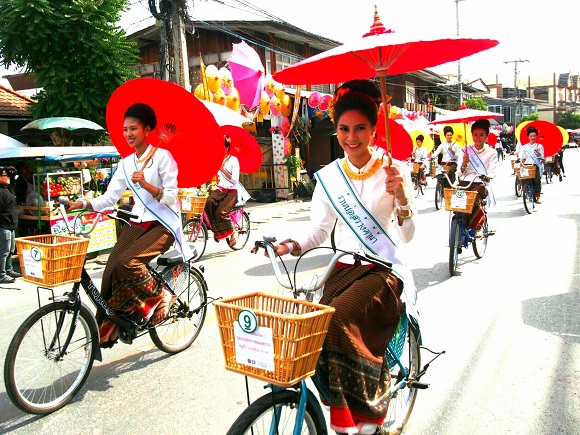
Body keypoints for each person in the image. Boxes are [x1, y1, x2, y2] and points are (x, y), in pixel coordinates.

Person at [253, 80, 417, 435]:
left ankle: (368, 415)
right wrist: (286, 245)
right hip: (340, 268)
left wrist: (402, 198)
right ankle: (342, 409)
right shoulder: (328, 177)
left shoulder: (394, 171)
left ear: (374, 130)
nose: (351, 136)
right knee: (312, 328)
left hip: (382, 270)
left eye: (360, 128)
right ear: (336, 130)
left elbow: (407, 235)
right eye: (344, 128)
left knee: (339, 321)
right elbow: (317, 231)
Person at [67, 103, 192, 347]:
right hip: (138, 222)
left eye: (133, 128)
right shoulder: (125, 164)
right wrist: (82, 203)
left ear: (147, 130)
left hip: (164, 224)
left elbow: (171, 197)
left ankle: (161, 294)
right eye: (125, 129)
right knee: (111, 268)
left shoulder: (163, 157)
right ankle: (113, 322)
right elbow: (108, 199)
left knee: (128, 264)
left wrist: (147, 186)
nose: (128, 134)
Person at [458, 119, 498, 238]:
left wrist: (488, 176)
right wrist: (464, 164)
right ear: (472, 135)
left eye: (481, 135)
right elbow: (459, 173)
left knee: (474, 196)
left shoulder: (492, 152)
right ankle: (457, 227)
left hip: (480, 182)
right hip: (465, 181)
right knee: (456, 200)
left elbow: (492, 171)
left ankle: (477, 226)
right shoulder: (465, 150)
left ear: (486, 136)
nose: (478, 138)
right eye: (475, 134)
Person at [204, 134, 241, 247]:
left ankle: (233, 232)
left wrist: (223, 170)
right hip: (221, 190)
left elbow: (235, 180)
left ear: (227, 148)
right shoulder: (218, 160)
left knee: (221, 212)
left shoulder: (234, 160)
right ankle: (217, 229)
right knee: (209, 202)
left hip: (232, 191)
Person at [0, 166, 22, 283]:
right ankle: (1, 275)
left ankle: (9, 270)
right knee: (4, 252)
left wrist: (11, 171)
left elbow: (13, 179)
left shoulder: (8, 188)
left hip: (11, 226)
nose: (8, 177)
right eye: (5, 175)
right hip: (4, 226)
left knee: (11, 250)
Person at [517, 126, 544, 203]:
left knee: (537, 181)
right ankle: (524, 189)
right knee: (523, 178)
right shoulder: (524, 147)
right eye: (531, 136)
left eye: (534, 136)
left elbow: (542, 157)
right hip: (526, 165)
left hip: (535, 165)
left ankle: (538, 196)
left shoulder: (539, 146)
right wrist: (522, 160)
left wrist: (537, 152)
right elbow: (521, 157)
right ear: (528, 137)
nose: (533, 137)